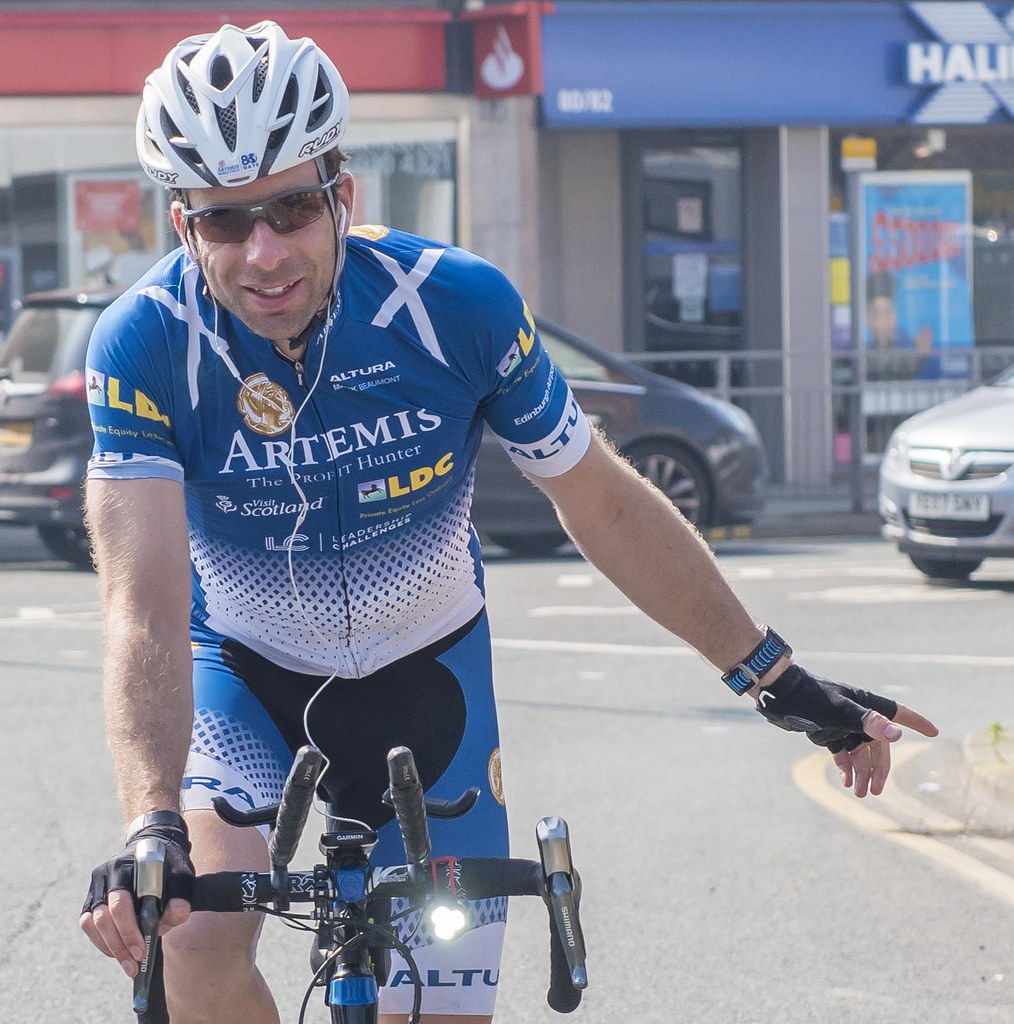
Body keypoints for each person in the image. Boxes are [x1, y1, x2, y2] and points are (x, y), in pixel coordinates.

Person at [79, 21, 938, 1024]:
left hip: (428, 686)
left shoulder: (456, 307)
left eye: (293, 206)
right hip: (248, 683)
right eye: (227, 222)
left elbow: (603, 500)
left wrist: (777, 679)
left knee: (441, 1008)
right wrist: (149, 823)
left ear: (341, 195)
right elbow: (141, 604)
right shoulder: (144, 344)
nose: (265, 251)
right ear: (185, 226)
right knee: (191, 940)